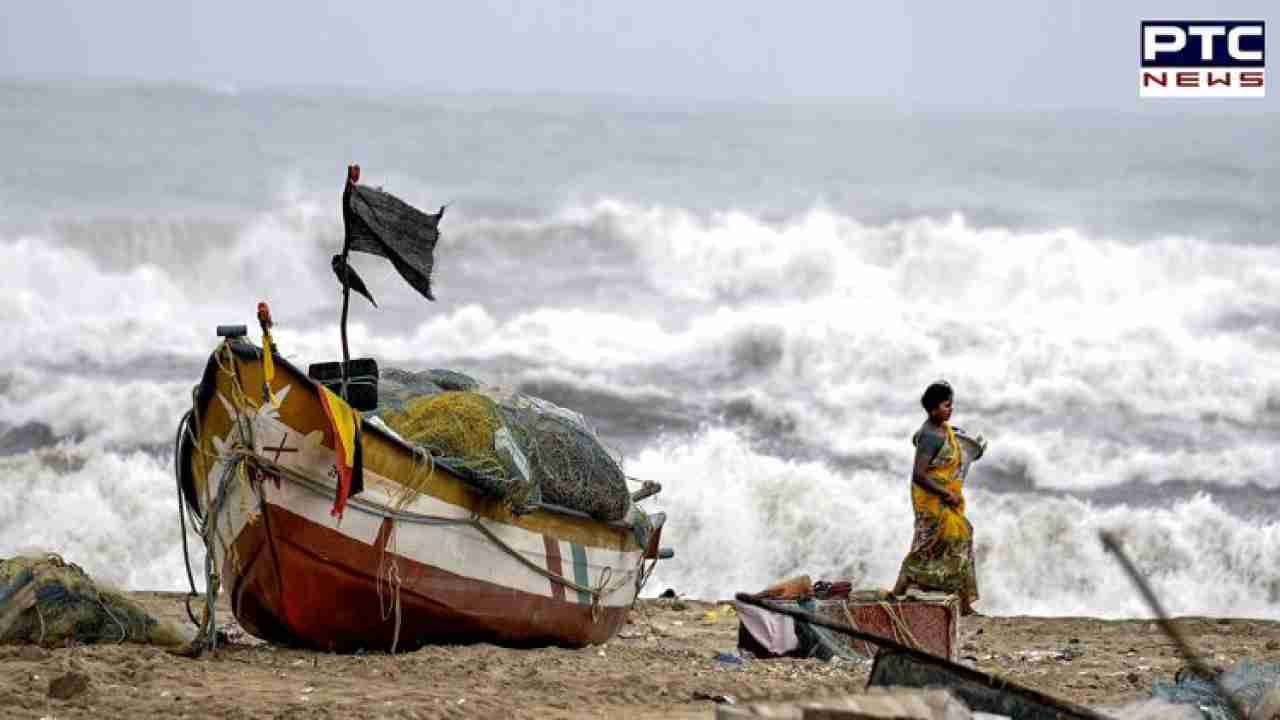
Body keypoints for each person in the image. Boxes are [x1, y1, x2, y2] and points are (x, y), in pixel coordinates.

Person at [891, 381, 981, 615]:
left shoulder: (945, 430)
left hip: (945, 498)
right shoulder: (930, 436)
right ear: (933, 409)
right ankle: (906, 584)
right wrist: (945, 493)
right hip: (931, 499)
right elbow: (919, 475)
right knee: (930, 546)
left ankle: (961, 601)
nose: (950, 409)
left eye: (951, 405)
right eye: (946, 405)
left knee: (962, 535)